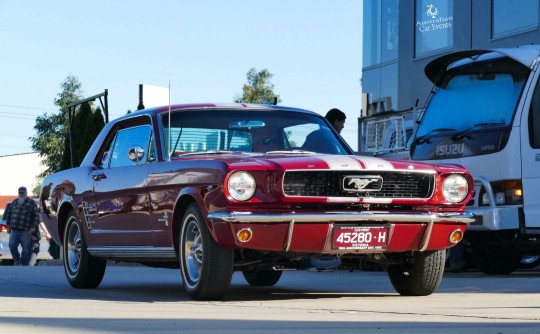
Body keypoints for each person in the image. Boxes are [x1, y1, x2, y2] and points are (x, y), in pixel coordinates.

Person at [5, 186, 40, 266]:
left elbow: (36, 216)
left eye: (23, 193)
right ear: (18, 193)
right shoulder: (14, 202)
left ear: (26, 193)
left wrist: (33, 227)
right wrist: (8, 226)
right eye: (20, 192)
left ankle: (23, 265)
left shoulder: (32, 203)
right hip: (14, 230)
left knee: (26, 249)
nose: (21, 194)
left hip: (26, 231)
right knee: (12, 245)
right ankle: (16, 260)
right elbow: (9, 214)